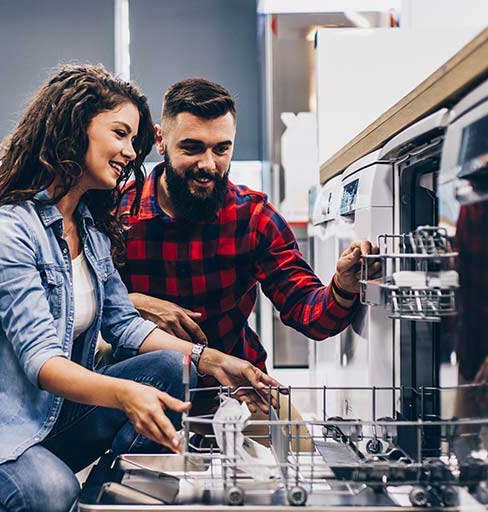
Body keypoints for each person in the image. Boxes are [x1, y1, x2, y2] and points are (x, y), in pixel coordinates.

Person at [0, 65, 277, 512]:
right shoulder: (7, 230)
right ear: (73, 128)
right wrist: (125, 393)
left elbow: (124, 322)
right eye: (120, 134)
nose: (132, 152)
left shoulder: (87, 226)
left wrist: (213, 360)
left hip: (48, 419)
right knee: (48, 499)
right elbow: (43, 363)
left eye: (134, 139)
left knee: (172, 366)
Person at [118, 79, 378, 388]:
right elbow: (83, 307)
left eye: (221, 149)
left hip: (235, 388)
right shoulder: (116, 213)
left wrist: (343, 287)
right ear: (160, 140)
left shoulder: (254, 217)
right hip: (137, 389)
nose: (208, 165)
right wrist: (132, 303)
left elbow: (309, 313)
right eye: (192, 148)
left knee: (292, 423)